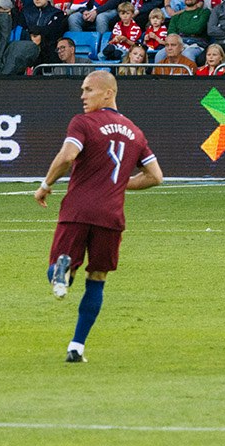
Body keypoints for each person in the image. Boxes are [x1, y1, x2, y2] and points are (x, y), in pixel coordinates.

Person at [32, 69, 165, 363]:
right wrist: (118, 183)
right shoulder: (135, 132)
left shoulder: (84, 123)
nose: (82, 96)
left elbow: (67, 157)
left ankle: (61, 273)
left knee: (56, 270)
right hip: (111, 215)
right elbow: (156, 176)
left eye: (88, 89)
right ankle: (77, 346)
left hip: (78, 210)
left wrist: (45, 185)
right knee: (98, 277)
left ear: (108, 93)